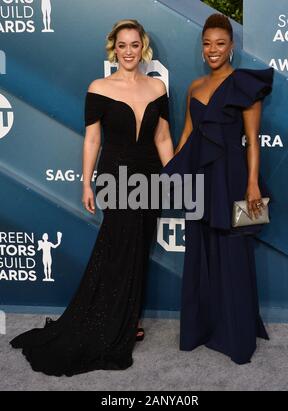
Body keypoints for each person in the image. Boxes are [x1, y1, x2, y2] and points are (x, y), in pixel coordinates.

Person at [10, 19, 174, 376]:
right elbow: (92, 140)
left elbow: (163, 138)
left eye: (134, 44)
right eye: (122, 45)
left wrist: (174, 176)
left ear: (142, 47)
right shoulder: (99, 87)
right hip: (116, 178)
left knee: (138, 251)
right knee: (118, 251)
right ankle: (108, 325)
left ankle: (127, 321)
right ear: (113, 48)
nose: (128, 51)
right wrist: (86, 183)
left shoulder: (158, 89)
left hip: (151, 178)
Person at [162, 13, 273, 365]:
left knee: (234, 255)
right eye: (207, 43)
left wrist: (253, 184)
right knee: (201, 252)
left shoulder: (243, 85)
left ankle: (236, 334)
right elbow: (186, 137)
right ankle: (202, 329)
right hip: (199, 180)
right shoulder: (194, 87)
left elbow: (252, 142)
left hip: (233, 179)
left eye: (220, 43)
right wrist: (172, 174)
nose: (213, 50)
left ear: (232, 47)